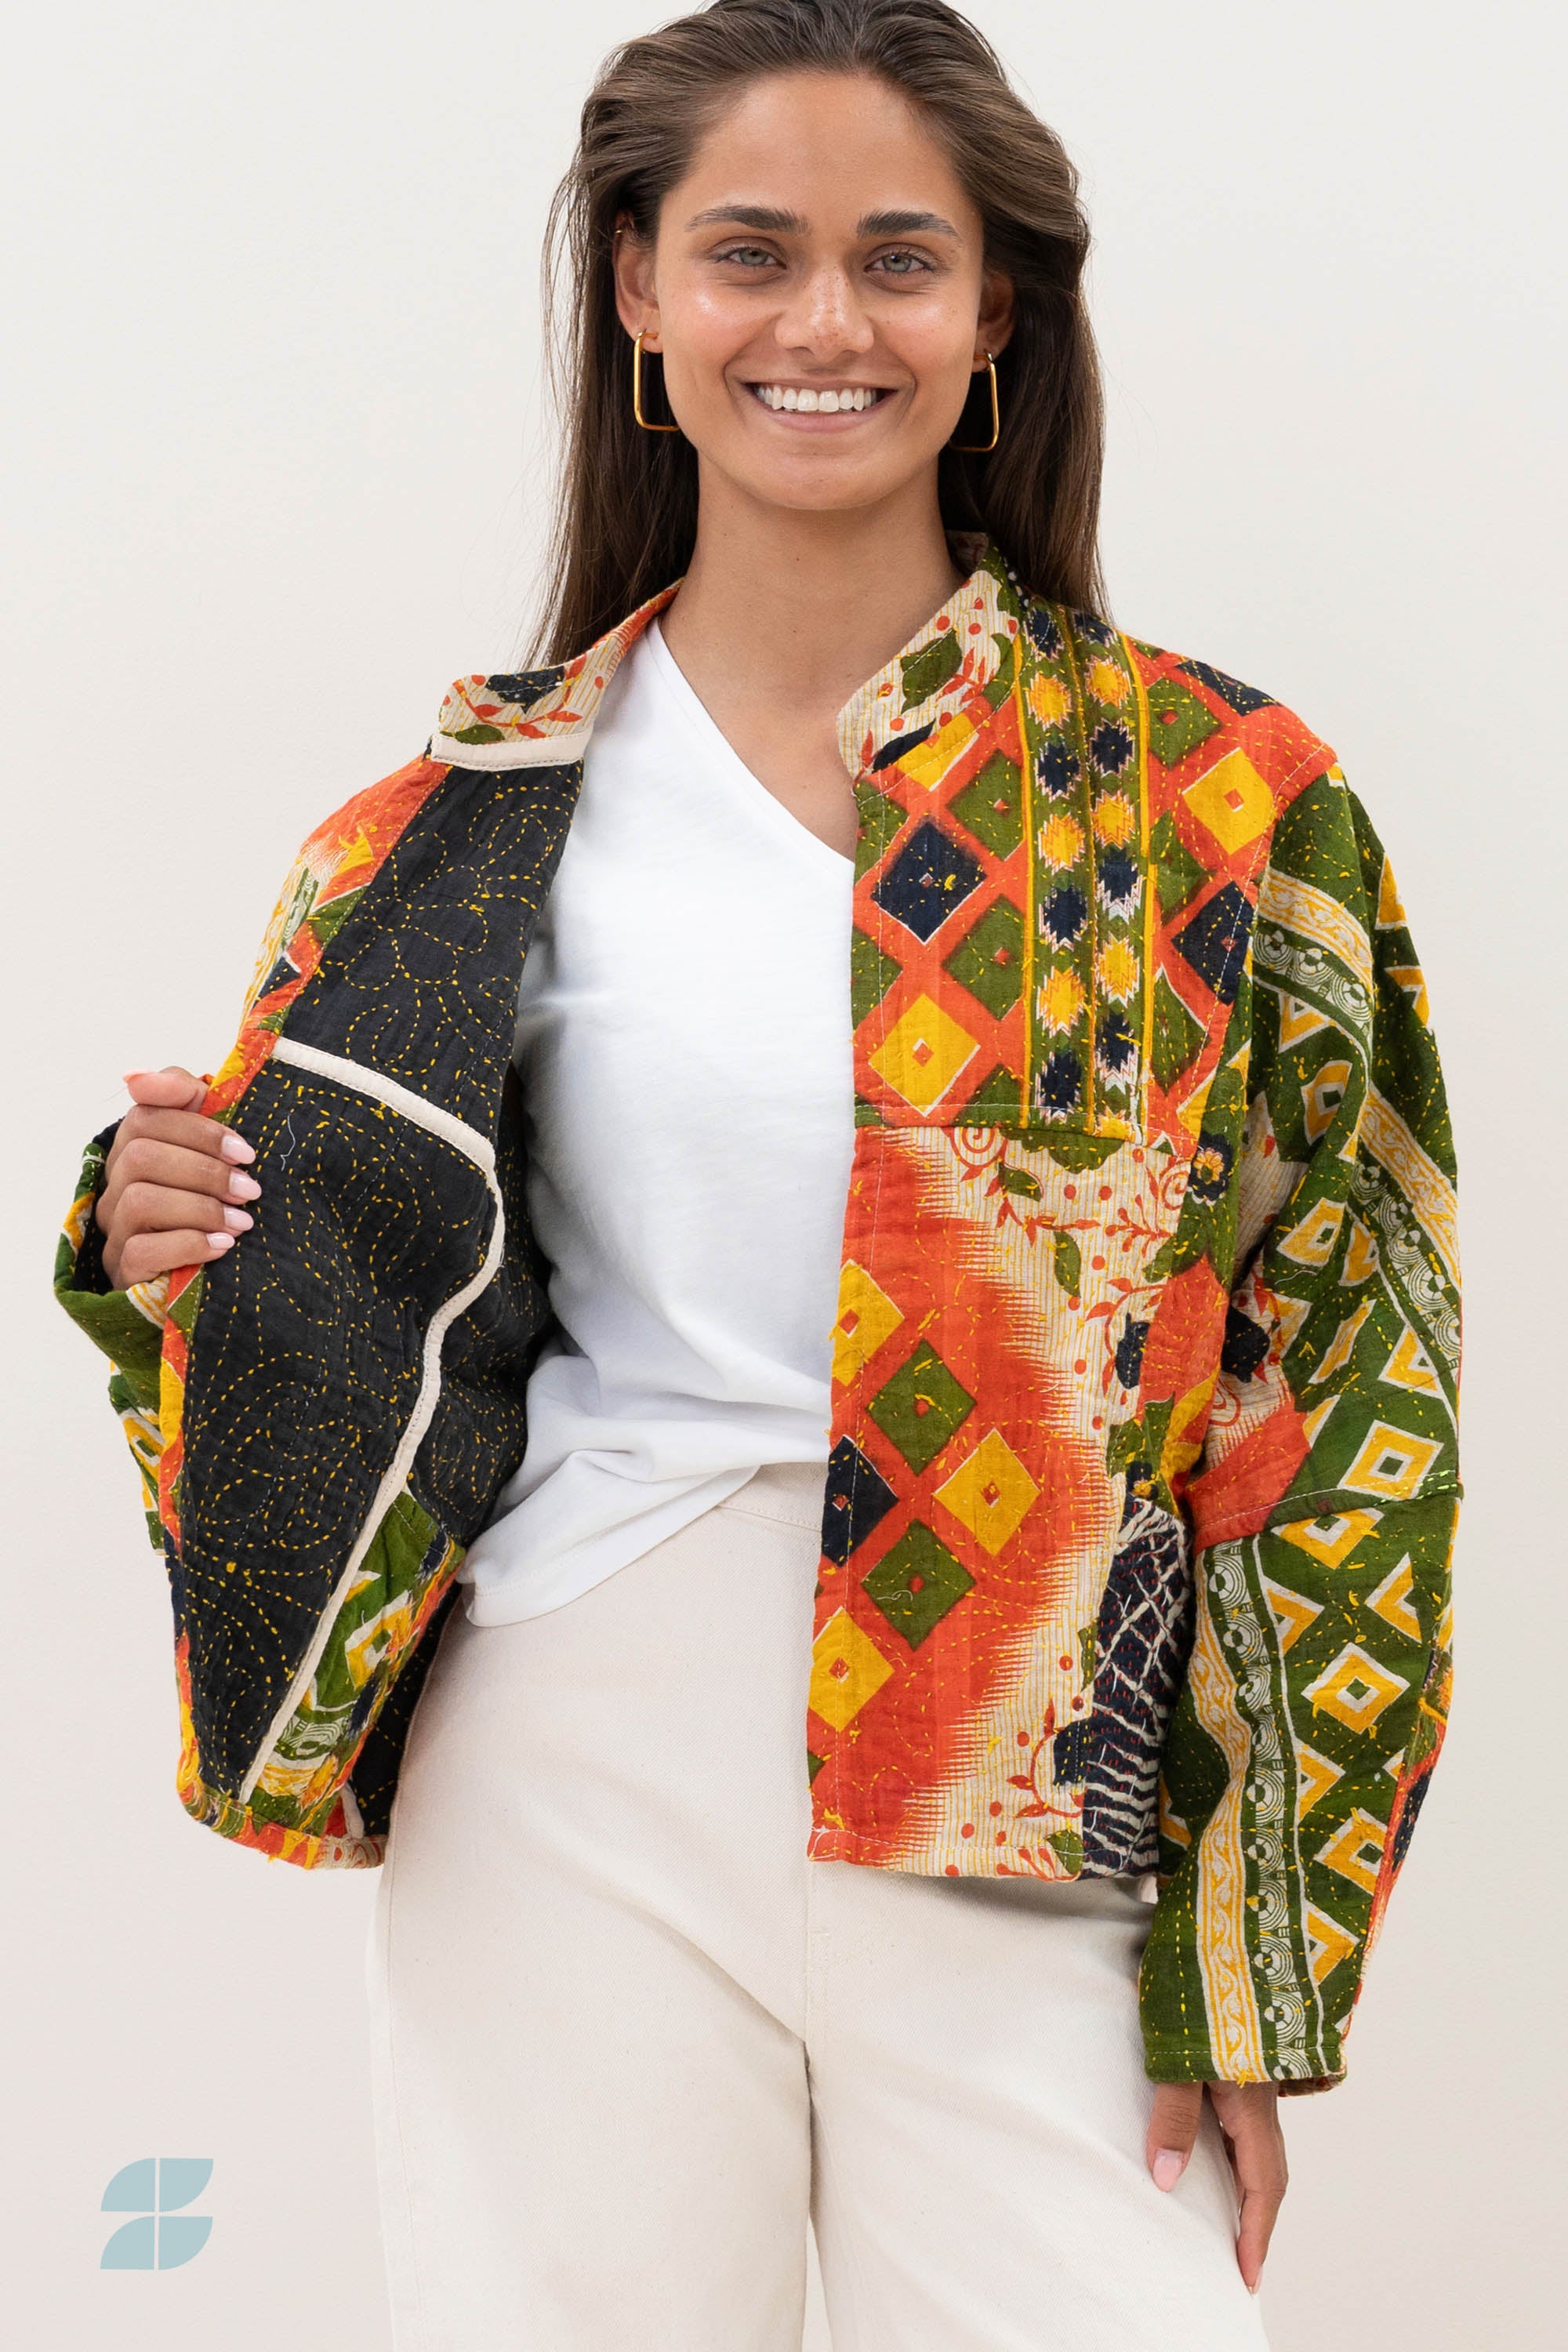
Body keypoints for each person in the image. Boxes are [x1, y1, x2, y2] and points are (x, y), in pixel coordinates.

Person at [53, 3, 1461, 2346]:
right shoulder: (442, 839)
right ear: (638, 291)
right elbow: (298, 1326)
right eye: (749, 253)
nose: (826, 322)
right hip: (571, 1733)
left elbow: (1352, 1355)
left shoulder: (1219, 803)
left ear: (997, 313)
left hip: (1027, 1764)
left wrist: (1252, 1953)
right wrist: (156, 1230)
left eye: (901, 258)